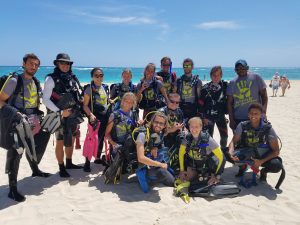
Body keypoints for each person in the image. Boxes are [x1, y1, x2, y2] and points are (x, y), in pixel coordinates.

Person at [0, 53, 50, 202]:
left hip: (32, 120)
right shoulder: (15, 80)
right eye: (30, 64)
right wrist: (16, 114)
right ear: (24, 64)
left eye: (36, 65)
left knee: (37, 142)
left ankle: (35, 170)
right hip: (16, 122)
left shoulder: (35, 81)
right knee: (16, 152)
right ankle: (12, 189)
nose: (33, 67)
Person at [43, 53, 84, 177]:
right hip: (59, 115)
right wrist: (60, 112)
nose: (65, 65)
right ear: (57, 64)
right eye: (62, 63)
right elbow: (45, 99)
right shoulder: (50, 79)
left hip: (72, 114)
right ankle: (61, 167)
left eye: (68, 63)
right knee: (60, 141)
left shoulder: (71, 77)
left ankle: (69, 163)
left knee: (71, 139)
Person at [228, 103, 284, 187]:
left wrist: (261, 161)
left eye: (256, 113)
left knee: (276, 165)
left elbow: (276, 151)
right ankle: (242, 167)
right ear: (248, 114)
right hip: (246, 151)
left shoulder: (268, 128)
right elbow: (233, 142)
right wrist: (231, 153)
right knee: (225, 153)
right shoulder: (242, 125)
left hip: (262, 155)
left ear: (261, 115)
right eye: (251, 113)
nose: (253, 115)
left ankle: (263, 172)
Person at [178, 117, 225, 185]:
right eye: (192, 127)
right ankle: (197, 175)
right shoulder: (186, 139)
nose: (194, 129)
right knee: (188, 179)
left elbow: (221, 157)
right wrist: (182, 171)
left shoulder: (208, 140)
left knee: (210, 183)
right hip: (194, 163)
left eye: (196, 127)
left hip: (207, 165)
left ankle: (211, 175)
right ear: (189, 127)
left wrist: (217, 176)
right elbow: (181, 154)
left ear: (201, 127)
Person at [135, 112, 175, 192]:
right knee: (169, 179)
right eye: (156, 122)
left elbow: (168, 131)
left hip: (154, 162)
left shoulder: (160, 133)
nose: (158, 125)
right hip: (144, 166)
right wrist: (160, 164)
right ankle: (148, 177)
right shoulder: (143, 135)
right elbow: (141, 158)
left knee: (171, 177)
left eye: (161, 123)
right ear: (152, 122)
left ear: (164, 126)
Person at [104, 92, 139, 181]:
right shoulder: (114, 115)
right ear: (122, 102)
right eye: (126, 101)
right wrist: (113, 143)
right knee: (117, 172)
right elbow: (106, 134)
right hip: (118, 143)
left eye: (131, 102)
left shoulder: (134, 114)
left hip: (130, 143)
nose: (128, 103)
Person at [227, 59, 268, 131]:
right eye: (238, 69)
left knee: (256, 140)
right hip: (238, 118)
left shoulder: (256, 77)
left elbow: (264, 96)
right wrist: (231, 119)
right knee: (239, 141)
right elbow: (230, 103)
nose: (240, 70)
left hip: (255, 116)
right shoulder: (232, 82)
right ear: (235, 70)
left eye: (243, 68)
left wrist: (263, 113)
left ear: (247, 68)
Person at [82, 67, 110, 170]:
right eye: (96, 76)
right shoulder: (89, 89)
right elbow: (85, 105)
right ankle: (87, 163)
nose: (99, 78)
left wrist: (109, 101)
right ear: (92, 77)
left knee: (101, 138)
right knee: (91, 140)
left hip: (105, 116)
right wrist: (90, 115)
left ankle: (97, 157)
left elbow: (104, 101)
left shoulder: (104, 87)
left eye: (101, 75)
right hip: (94, 117)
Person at [199, 66, 228, 149]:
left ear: (221, 75)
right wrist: (203, 118)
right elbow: (200, 104)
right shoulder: (205, 88)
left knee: (224, 136)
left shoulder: (225, 86)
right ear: (211, 76)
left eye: (218, 75)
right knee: (208, 138)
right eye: (214, 75)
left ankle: (223, 151)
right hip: (208, 117)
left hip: (221, 116)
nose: (216, 77)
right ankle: (208, 153)